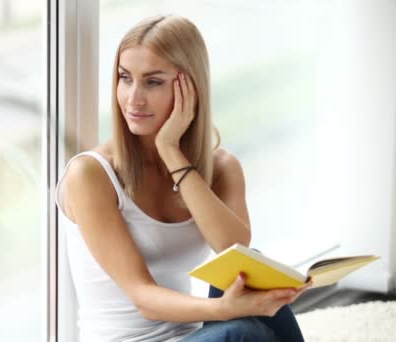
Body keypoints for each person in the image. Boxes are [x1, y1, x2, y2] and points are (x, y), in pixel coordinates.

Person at [55, 14, 310, 342]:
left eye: (153, 81)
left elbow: (232, 247)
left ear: (190, 87)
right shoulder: (89, 175)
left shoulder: (221, 167)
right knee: (244, 332)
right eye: (125, 78)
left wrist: (171, 152)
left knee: (251, 271)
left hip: (189, 335)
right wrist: (225, 310)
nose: (133, 98)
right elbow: (142, 296)